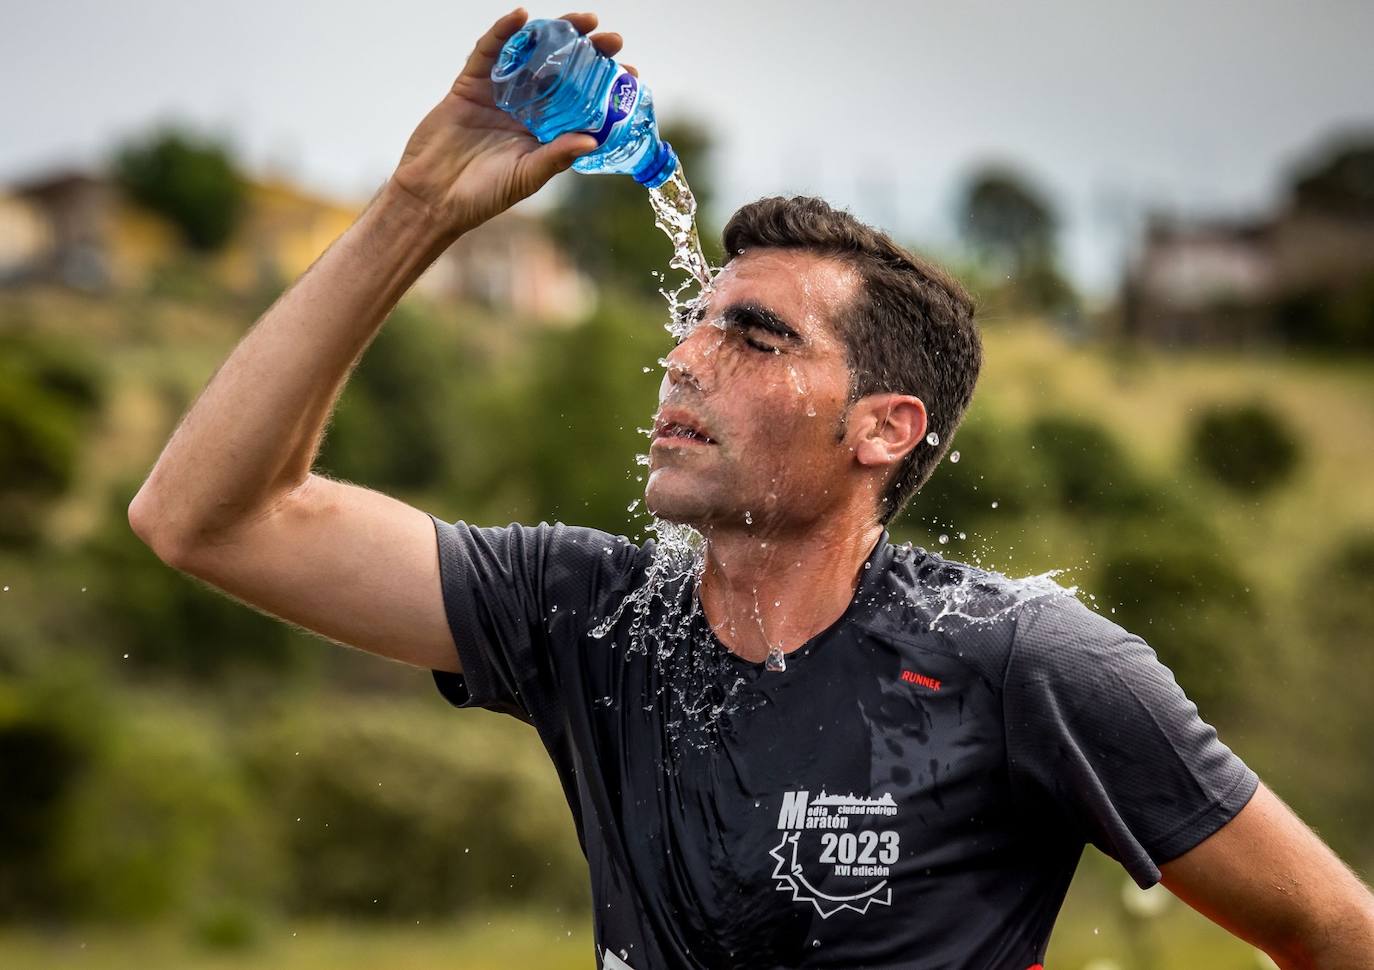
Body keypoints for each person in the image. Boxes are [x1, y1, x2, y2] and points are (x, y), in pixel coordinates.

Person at [129, 9, 1374, 970]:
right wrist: (412, 210)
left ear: (884, 428)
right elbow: (207, 519)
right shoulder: (593, 617)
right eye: (696, 322)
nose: (686, 356)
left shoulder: (1023, 662)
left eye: (759, 337)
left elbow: (1334, 930)